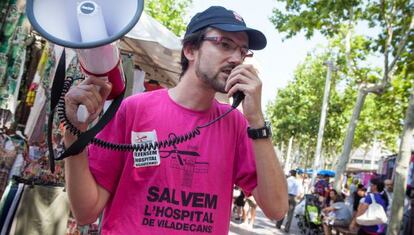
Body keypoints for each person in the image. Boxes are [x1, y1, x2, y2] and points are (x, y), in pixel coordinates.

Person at [63, 6, 288, 234]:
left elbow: (277, 209)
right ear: (190, 49)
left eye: (243, 51)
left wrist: (257, 121)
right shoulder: (134, 109)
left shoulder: (238, 125)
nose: (236, 58)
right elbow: (85, 211)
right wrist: (73, 133)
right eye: (225, 44)